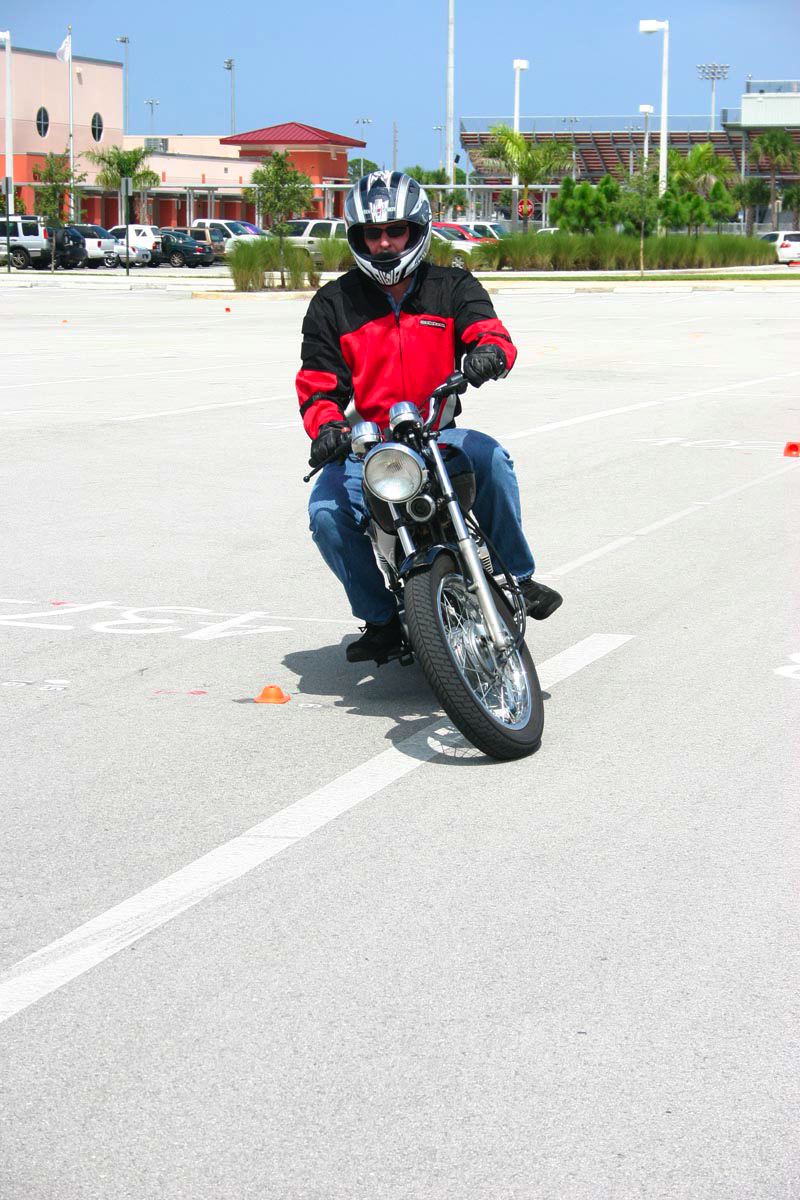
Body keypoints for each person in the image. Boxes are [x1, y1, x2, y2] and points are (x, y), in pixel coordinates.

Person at [296, 170, 562, 665]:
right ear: (357, 237)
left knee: (493, 460)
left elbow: (490, 331)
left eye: (395, 231)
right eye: (372, 233)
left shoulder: (453, 285)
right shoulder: (333, 303)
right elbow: (318, 383)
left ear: (417, 230)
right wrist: (327, 428)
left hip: (438, 434)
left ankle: (518, 578)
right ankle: (379, 619)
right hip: (368, 448)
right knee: (326, 514)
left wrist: (488, 353)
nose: (384, 243)